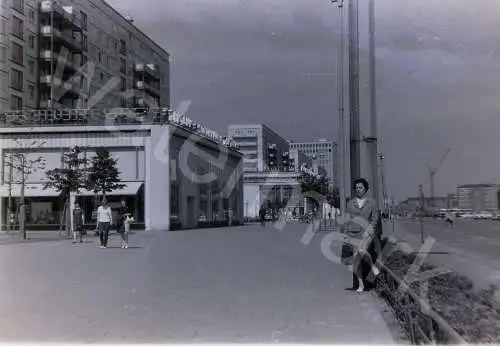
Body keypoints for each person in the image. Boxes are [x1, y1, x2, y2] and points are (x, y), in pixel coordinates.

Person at [344, 178, 381, 293]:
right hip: (353, 232)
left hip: (367, 232)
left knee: (361, 250)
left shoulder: (372, 202)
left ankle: (373, 266)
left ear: (365, 189)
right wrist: (345, 235)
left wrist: (369, 231)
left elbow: (375, 219)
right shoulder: (350, 203)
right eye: (356, 188)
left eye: (360, 188)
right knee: (356, 259)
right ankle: (361, 284)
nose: (358, 190)